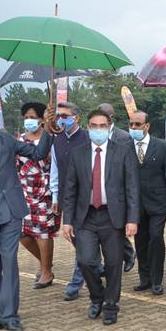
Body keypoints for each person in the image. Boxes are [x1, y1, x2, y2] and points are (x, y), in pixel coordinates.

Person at [0, 98, 55, 331]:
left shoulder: (5, 138)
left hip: (12, 211)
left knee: (9, 261)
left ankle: (10, 315)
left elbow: (38, 153)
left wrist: (47, 128)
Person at [61, 109, 139, 325]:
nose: (98, 130)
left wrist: (132, 219)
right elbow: (70, 189)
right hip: (85, 217)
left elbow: (132, 187)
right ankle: (97, 297)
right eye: (94, 126)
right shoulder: (78, 153)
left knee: (114, 263)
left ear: (109, 127)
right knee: (86, 261)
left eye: (102, 126)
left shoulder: (123, 151)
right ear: (88, 127)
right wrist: (67, 221)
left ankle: (111, 305)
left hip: (112, 216)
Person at [49, 102, 104, 301]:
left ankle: (76, 283)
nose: (61, 119)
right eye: (59, 116)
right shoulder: (57, 141)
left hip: (88, 200)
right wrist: (55, 196)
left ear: (77, 118)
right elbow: (54, 170)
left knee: (82, 241)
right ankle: (97, 267)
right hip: (68, 198)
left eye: (65, 115)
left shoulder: (89, 138)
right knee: (78, 241)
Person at [128, 111, 166, 296]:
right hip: (136, 204)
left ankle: (157, 279)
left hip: (158, 202)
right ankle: (145, 278)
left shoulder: (162, 146)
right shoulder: (125, 146)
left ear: (147, 126)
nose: (133, 127)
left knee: (156, 238)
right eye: (131, 124)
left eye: (138, 124)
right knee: (140, 241)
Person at [16, 102, 60, 289]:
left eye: (33, 117)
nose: (29, 120)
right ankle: (45, 263)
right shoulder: (19, 140)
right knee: (22, 234)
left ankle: (46, 272)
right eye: (26, 117)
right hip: (24, 191)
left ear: (42, 119)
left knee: (43, 232)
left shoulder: (51, 138)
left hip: (45, 191)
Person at [98, 103, 136, 273]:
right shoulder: (92, 134)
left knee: (116, 229)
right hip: (98, 190)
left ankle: (125, 255)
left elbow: (129, 165)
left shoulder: (124, 137)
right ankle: (120, 257)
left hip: (117, 191)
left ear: (111, 118)